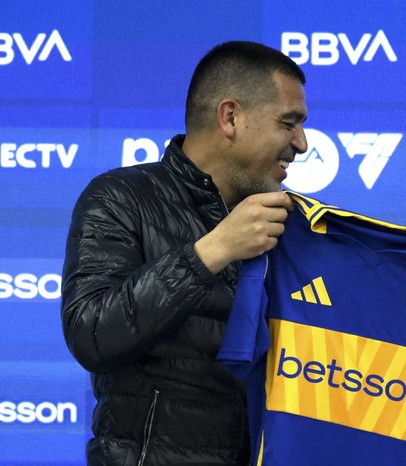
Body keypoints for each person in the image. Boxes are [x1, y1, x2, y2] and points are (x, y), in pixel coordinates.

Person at [61, 41, 308, 465]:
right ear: (230, 117)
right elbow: (91, 333)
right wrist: (213, 250)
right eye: (288, 123)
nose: (301, 143)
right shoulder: (121, 197)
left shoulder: (290, 223)